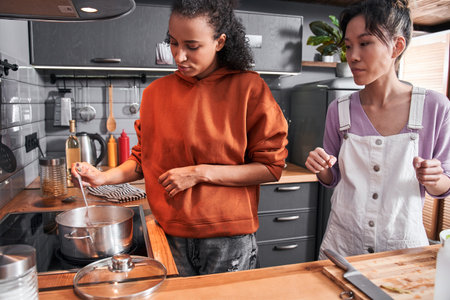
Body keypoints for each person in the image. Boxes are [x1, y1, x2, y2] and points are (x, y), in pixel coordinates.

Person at [72, 0, 288, 276]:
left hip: (228, 241)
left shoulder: (249, 88)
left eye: (192, 46)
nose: (179, 56)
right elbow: (143, 159)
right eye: (173, 43)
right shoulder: (155, 94)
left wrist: (200, 173)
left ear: (220, 41)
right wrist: (102, 178)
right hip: (168, 234)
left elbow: (271, 168)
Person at [305, 0, 450, 259]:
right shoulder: (339, 109)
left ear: (397, 46)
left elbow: (443, 185)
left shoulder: (435, 107)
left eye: (365, 43)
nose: (353, 56)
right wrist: (322, 166)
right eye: (348, 46)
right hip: (341, 247)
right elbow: (332, 178)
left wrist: (434, 178)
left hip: (403, 250)